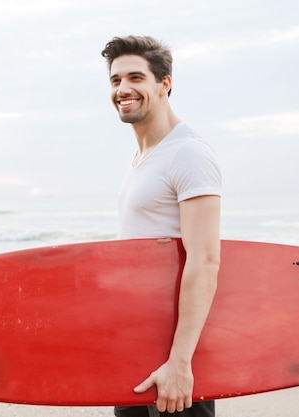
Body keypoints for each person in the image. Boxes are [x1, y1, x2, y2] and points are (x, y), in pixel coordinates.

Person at [101, 36, 222, 417]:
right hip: (138, 344)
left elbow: (204, 261)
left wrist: (181, 362)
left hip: (175, 355)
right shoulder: (143, 157)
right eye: (115, 80)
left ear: (164, 83)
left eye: (135, 77)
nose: (123, 89)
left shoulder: (188, 153)